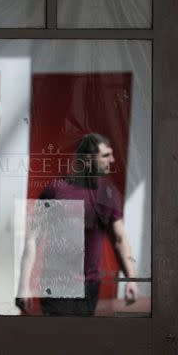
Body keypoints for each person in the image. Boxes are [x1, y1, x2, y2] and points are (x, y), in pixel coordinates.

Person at [16, 133, 139, 316]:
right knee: (58, 340)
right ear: (88, 160)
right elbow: (32, 239)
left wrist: (132, 279)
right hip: (57, 284)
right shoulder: (55, 190)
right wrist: (23, 286)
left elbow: (120, 239)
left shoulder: (108, 193)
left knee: (79, 339)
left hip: (90, 287)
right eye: (106, 155)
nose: (112, 160)